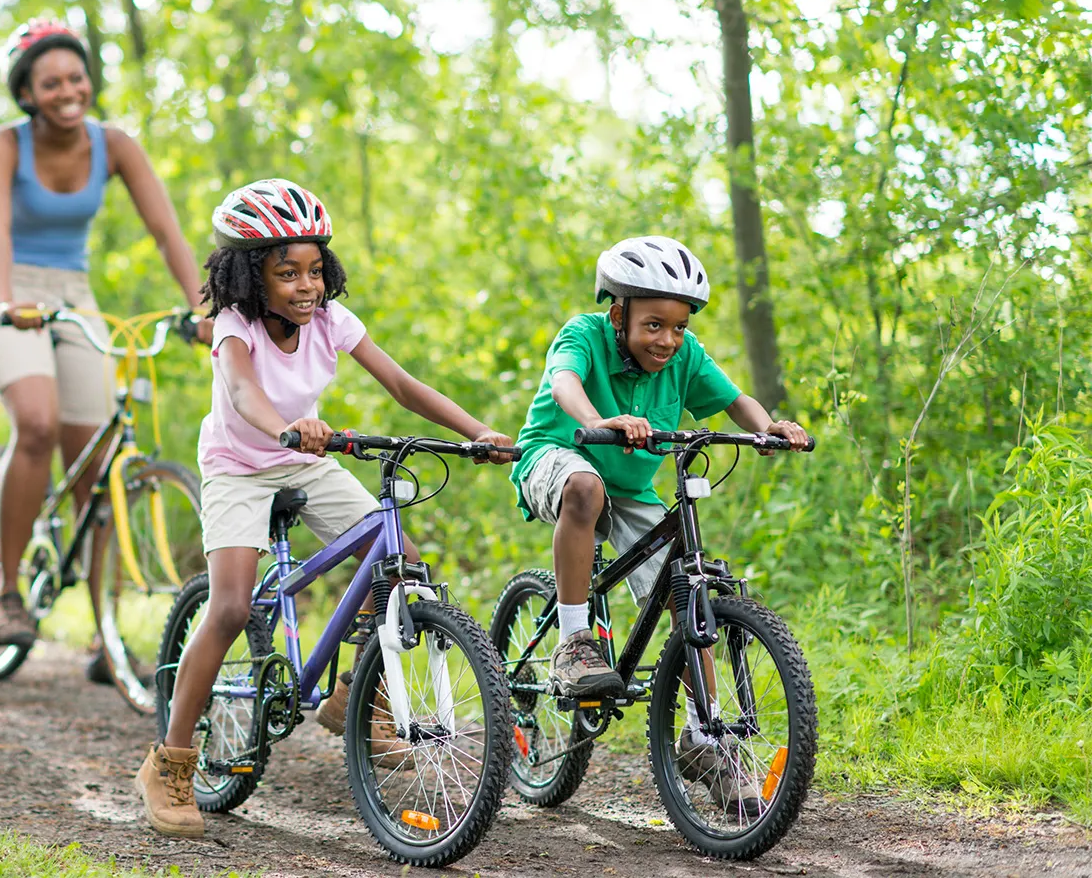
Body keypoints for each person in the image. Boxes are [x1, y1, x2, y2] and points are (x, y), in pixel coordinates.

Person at [133, 178, 516, 838]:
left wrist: (475, 432)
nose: (306, 286)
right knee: (229, 606)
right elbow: (245, 394)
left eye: (315, 270)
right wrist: (287, 424)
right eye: (288, 273)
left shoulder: (331, 320)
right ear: (251, 277)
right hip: (238, 466)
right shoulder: (233, 327)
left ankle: (360, 701)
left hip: (305, 457)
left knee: (401, 564)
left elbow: (399, 383)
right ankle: (170, 762)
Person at [507, 234, 809, 806]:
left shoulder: (686, 354)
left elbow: (735, 399)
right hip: (557, 457)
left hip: (629, 487)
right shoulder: (584, 334)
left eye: (678, 326)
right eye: (653, 325)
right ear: (618, 314)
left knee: (685, 594)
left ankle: (704, 737)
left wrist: (768, 425)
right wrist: (603, 419)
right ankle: (574, 641)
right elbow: (563, 382)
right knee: (584, 487)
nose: (667, 339)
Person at [0, 19, 212, 656]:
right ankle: (6, 592)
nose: (68, 90)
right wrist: (8, 299)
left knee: (97, 466)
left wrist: (204, 309)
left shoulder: (115, 144)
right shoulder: (3, 145)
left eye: (76, 77)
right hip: (6, 288)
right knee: (38, 425)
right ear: (26, 93)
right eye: (50, 82)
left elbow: (166, 232)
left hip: (73, 293)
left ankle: (106, 633)